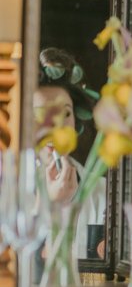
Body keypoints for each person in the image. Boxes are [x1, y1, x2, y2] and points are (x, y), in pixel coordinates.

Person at [33, 47, 106, 261]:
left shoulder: (102, 192)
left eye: (66, 113)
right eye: (42, 114)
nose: (56, 125)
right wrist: (50, 207)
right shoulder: (7, 189)